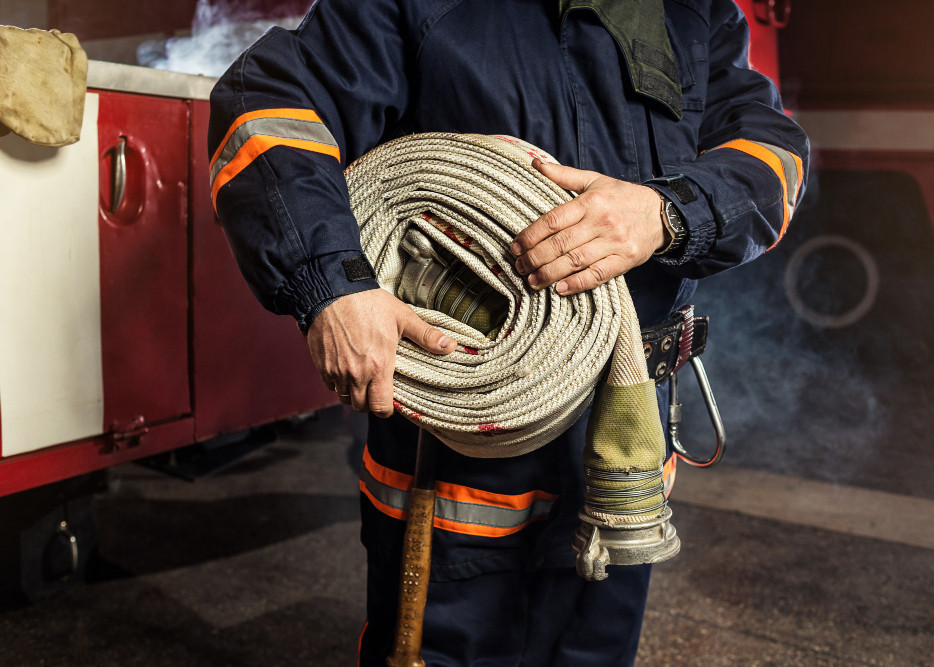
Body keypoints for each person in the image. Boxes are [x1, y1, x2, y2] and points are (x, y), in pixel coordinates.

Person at [208, 1, 808, 664]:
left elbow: (774, 153)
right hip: (460, 439)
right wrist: (331, 285)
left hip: (622, 433)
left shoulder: (689, 12)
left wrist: (667, 212)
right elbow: (266, 104)